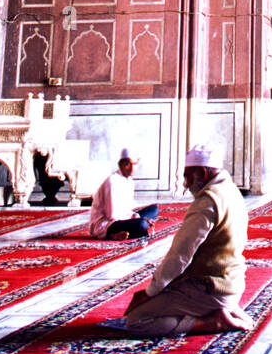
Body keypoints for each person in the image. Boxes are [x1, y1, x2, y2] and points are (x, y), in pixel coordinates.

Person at [121, 144, 252, 337]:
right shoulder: (230, 190)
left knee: (137, 320)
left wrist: (150, 292)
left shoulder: (208, 201)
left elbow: (179, 256)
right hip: (232, 283)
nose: (185, 184)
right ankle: (225, 309)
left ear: (202, 173)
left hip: (211, 288)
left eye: (188, 177)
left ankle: (210, 321)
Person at [89, 149, 159, 241]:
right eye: (128, 164)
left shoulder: (129, 181)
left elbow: (126, 210)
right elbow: (113, 215)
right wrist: (137, 218)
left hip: (122, 218)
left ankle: (131, 231)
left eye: (134, 164)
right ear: (121, 164)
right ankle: (111, 235)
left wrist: (135, 217)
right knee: (142, 224)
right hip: (106, 224)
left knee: (154, 209)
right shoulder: (112, 182)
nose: (132, 168)